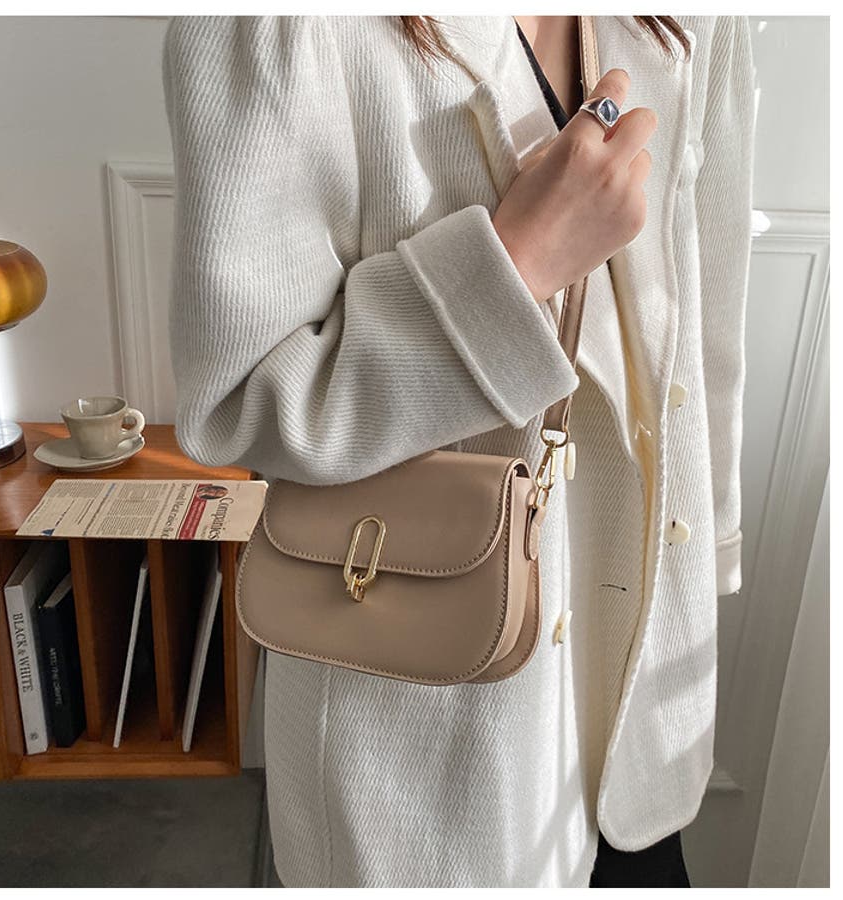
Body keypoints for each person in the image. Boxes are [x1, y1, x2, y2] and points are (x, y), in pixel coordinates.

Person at [161, 15, 755, 888]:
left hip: (634, 692)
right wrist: (512, 271)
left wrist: (711, 550)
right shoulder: (276, 27)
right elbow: (243, 401)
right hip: (424, 731)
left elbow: (707, 311)